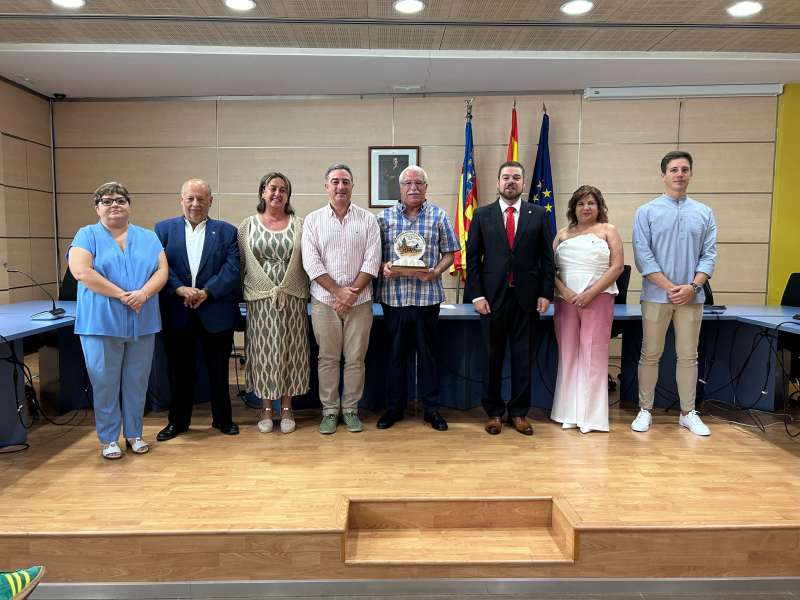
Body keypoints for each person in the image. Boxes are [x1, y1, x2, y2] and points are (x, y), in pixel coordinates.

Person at [68, 182, 168, 459]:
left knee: (137, 382)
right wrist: (123, 295)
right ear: (97, 208)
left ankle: (134, 434)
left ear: (129, 205)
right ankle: (109, 438)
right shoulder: (86, 235)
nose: (114, 205)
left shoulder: (148, 237)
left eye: (121, 200)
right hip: (101, 323)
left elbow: (162, 271)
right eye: (107, 201)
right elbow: (81, 271)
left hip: (142, 320)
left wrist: (144, 293)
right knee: (105, 383)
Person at [466, 161, 555, 436]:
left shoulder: (538, 214)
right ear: (497, 182)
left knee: (523, 359)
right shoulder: (482, 215)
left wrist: (545, 292)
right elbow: (473, 259)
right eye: (506, 177)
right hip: (492, 300)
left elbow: (547, 259)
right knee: (492, 359)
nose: (511, 182)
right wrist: (477, 295)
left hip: (527, 300)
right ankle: (493, 412)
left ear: (523, 183)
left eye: (516, 177)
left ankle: (518, 413)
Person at [631, 150, 717, 436]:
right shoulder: (647, 211)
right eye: (674, 169)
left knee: (688, 356)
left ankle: (687, 412)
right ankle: (645, 410)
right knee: (650, 353)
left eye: (684, 169)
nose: (679, 174)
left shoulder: (704, 213)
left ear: (691, 174)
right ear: (663, 175)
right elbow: (643, 256)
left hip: (692, 298)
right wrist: (670, 288)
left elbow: (709, 256)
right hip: (656, 296)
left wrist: (692, 287)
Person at [154, 179, 242, 442]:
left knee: (218, 371)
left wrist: (205, 292)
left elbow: (232, 269)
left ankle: (223, 420)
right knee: (180, 372)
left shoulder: (227, 231)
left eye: (201, 199)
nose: (195, 204)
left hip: (214, 311)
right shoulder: (163, 230)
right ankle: (178, 422)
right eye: (190, 198)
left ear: (210, 201)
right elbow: (158, 267)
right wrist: (180, 289)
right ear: (181, 200)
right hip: (178, 311)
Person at [375, 166, 459, 431]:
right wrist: (383, 267)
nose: (413, 188)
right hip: (394, 300)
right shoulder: (383, 218)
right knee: (395, 357)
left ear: (426, 187)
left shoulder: (439, 216)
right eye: (408, 183)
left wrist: (436, 271)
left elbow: (451, 252)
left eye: (419, 183)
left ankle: (431, 410)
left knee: (428, 357)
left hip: (427, 298)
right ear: (400, 188)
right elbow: (373, 255)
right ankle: (394, 409)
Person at [302, 164, 381, 434]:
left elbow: (373, 262)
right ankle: (329, 410)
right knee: (327, 358)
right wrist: (338, 292)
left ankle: (350, 409)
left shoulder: (368, 220)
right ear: (326, 186)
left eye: (345, 182)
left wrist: (351, 293)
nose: (340, 187)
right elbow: (311, 263)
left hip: (360, 302)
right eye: (335, 182)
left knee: (356, 359)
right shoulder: (312, 220)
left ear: (352, 186)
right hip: (324, 301)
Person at [238, 172, 309, 434]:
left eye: (283, 189)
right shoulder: (247, 226)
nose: (277, 193)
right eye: (272, 188)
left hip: (292, 298)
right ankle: (266, 408)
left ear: (288, 195)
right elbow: (242, 265)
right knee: (264, 352)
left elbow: (307, 261)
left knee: (291, 352)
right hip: (260, 301)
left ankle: (288, 407)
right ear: (262, 192)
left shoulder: (300, 224)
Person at [550, 185, 623, 434]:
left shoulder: (608, 230)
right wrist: (566, 292)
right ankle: (567, 412)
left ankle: (590, 417)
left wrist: (591, 292)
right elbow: (548, 269)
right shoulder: (562, 234)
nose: (586, 207)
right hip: (566, 300)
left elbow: (617, 267)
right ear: (573, 208)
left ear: (599, 205)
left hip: (598, 297)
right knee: (569, 354)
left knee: (593, 356)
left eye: (591, 203)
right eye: (581, 203)